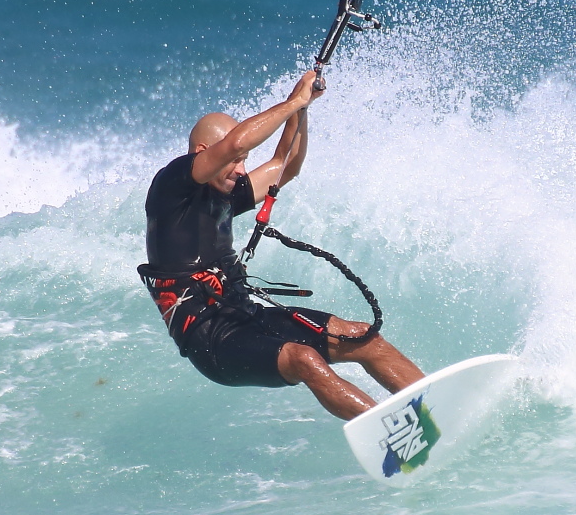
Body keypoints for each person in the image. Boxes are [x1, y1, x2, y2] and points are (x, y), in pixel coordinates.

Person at [139, 69, 424, 418]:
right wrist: (291, 103)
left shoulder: (225, 194)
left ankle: (434, 409)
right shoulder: (173, 186)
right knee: (303, 359)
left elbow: (284, 166)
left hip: (246, 316)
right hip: (210, 339)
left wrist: (301, 108)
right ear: (203, 152)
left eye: (243, 163)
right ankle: (392, 431)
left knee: (362, 337)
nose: (242, 169)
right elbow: (236, 143)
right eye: (236, 162)